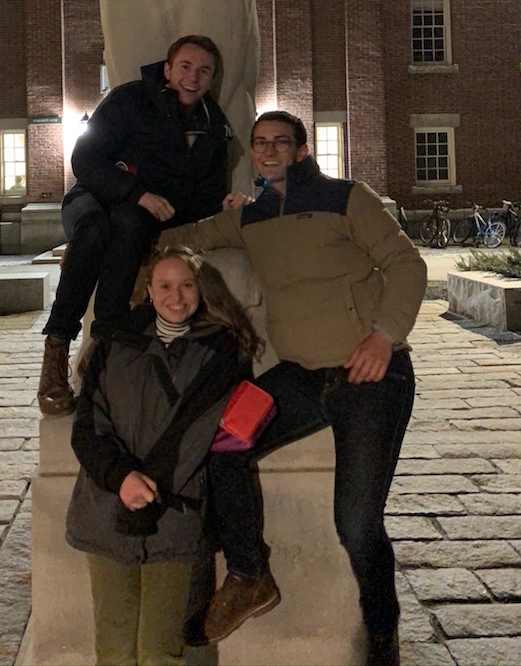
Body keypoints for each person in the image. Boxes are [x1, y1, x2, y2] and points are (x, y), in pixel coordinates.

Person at [160, 111, 427, 666]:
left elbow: (406, 264)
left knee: (355, 522)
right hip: (301, 376)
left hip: (371, 374)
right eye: (260, 144)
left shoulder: (349, 198)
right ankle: (249, 575)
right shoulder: (251, 218)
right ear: (253, 155)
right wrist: (108, 252)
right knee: (223, 441)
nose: (269, 151)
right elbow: (187, 237)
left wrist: (383, 337)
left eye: (281, 142)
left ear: (302, 150)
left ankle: (384, 635)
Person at [65, 246, 265, 666]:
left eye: (187, 285)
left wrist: (147, 488)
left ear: (201, 290)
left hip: (173, 515)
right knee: (115, 649)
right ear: (149, 292)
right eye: (166, 286)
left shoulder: (221, 351)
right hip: (107, 509)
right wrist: (121, 478)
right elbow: (87, 427)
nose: (177, 296)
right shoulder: (115, 341)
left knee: (159, 651)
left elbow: (201, 432)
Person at [37, 36, 233, 417]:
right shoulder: (129, 100)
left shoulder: (214, 128)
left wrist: (224, 209)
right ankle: (57, 347)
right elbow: (86, 158)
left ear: (211, 79)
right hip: (93, 198)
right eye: (185, 67)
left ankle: (103, 350)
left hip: (136, 219)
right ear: (167, 69)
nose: (193, 78)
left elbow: (205, 199)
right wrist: (136, 192)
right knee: (94, 231)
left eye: (204, 71)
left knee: (127, 224)